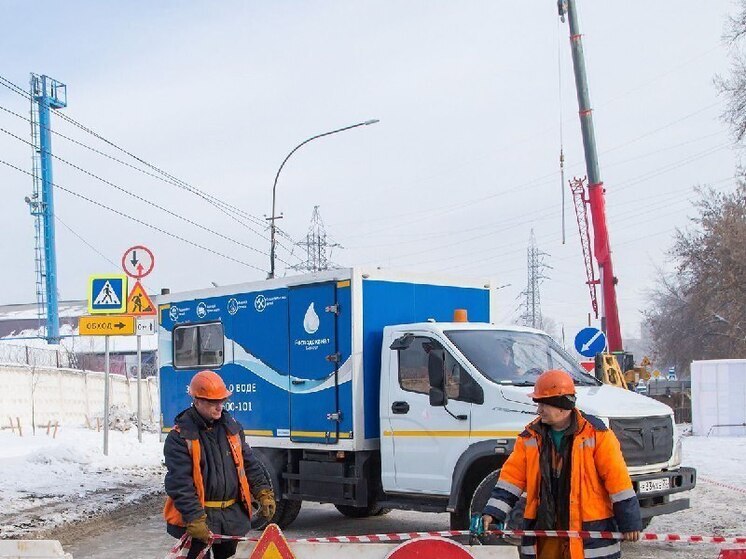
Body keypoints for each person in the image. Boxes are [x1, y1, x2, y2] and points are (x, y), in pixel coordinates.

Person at [482, 369, 641, 559]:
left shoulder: (597, 435)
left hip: (588, 532)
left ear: (561, 405)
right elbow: (511, 480)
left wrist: (630, 522)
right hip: (545, 531)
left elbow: (618, 482)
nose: (538, 410)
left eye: (543, 404)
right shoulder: (529, 437)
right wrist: (493, 513)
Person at [164, 370, 277, 559]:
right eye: (212, 402)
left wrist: (263, 492)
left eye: (222, 401)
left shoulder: (232, 428)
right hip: (201, 518)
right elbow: (179, 483)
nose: (219, 407)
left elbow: (249, 464)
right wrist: (195, 518)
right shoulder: (179, 437)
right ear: (197, 400)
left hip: (231, 517)